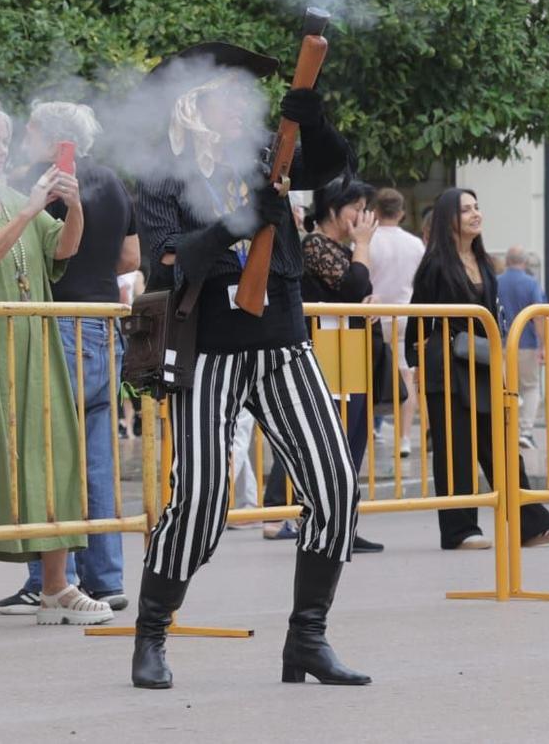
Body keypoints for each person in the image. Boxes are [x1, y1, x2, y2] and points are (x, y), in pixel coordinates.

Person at [130, 43, 366, 690]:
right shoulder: (163, 173)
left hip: (283, 339)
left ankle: (307, 638)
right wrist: (233, 225)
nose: (243, 105)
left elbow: (331, 164)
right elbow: (165, 260)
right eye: (228, 95)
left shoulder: (269, 150)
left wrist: (312, 119)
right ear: (193, 104)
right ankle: (151, 632)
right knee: (201, 498)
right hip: (209, 347)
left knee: (336, 487)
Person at [0, 99, 111, 629]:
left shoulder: (17, 197)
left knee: (51, 453)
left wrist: (74, 208)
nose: (1, 148)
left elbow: (63, 252)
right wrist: (31, 211)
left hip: (36, 343)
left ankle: (56, 586)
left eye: (5, 138)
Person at [0, 101, 138, 617]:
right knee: (96, 459)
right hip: (102, 323)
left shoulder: (39, 181)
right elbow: (131, 258)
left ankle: (52, 580)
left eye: (30, 129)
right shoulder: (114, 182)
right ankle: (106, 578)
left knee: (49, 456)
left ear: (53, 138)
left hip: (57, 325)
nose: (23, 137)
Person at [407, 188, 549, 555]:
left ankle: (532, 524)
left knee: (501, 444)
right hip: (447, 369)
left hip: (482, 364)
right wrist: (417, 362)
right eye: (466, 209)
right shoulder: (435, 265)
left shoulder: (485, 264)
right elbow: (417, 317)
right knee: (456, 451)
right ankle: (459, 531)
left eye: (477, 207)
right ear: (449, 218)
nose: (475, 214)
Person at [296, 176, 383, 554]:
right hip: (327, 355)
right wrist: (362, 245)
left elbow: (360, 293)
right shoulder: (315, 245)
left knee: (353, 440)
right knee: (336, 442)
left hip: (349, 353)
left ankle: (345, 522)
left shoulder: (341, 249)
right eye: (356, 209)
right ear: (332, 208)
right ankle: (327, 524)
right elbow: (352, 288)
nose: (363, 217)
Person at [365, 189, 423, 456]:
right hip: (404, 313)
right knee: (406, 375)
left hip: (373, 314)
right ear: (401, 213)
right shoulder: (415, 244)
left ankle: (368, 429)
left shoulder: (368, 241)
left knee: (367, 374)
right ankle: (405, 438)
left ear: (375, 211)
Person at [495, 247, 548, 449]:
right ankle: (526, 431)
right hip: (526, 343)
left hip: (500, 344)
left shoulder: (496, 282)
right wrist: (543, 345)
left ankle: (506, 429)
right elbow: (539, 315)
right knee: (531, 387)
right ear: (524, 262)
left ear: (507, 261)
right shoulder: (531, 283)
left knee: (504, 387)